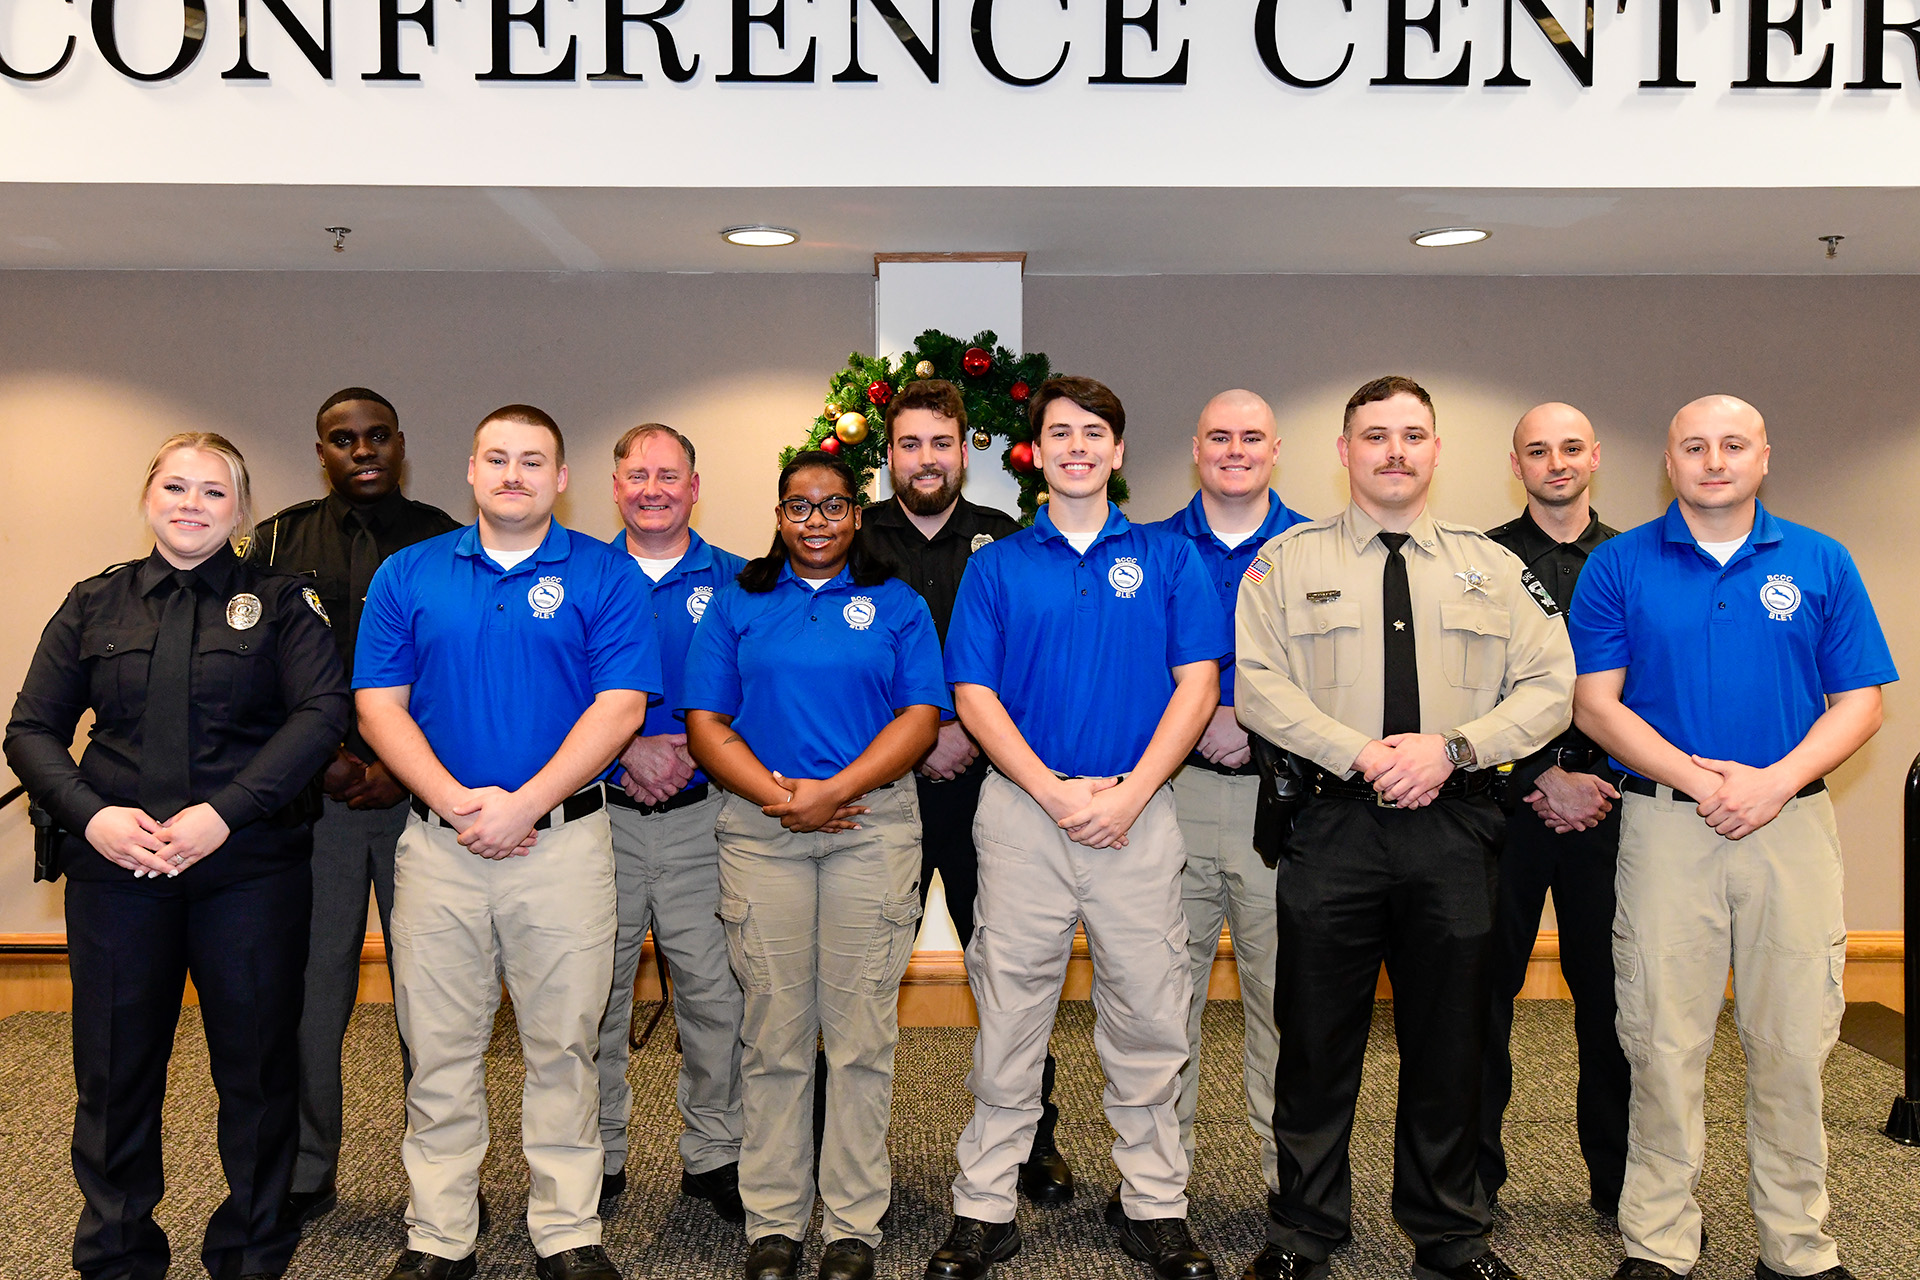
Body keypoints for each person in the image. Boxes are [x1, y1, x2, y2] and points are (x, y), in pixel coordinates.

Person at [1234, 375, 1574, 1280]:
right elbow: (1257, 686)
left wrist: (1452, 748)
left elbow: (1550, 688)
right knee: (1313, 1042)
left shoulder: (1496, 568)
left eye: (1412, 435)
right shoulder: (1284, 563)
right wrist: (1362, 753)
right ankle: (1303, 1232)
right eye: (1374, 435)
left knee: (1452, 1040)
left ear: (1434, 451)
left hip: (1454, 831)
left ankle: (1451, 1236)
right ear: (1343, 452)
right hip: (1333, 829)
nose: (1394, 450)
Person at [6, 433, 349, 1280]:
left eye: (214, 492)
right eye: (176, 487)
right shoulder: (95, 603)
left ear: (240, 509)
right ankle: (118, 1252)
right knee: (116, 1070)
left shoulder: (281, 603)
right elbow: (32, 730)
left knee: (258, 1070)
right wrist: (92, 819)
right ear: (147, 496)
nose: (192, 504)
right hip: (115, 874)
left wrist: (221, 816)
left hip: (247, 870)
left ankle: (252, 1248)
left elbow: (321, 717)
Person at [1570, 395, 1896, 1280]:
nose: (1715, 460)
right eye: (1695, 446)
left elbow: (1861, 701)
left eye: (1733, 445)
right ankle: (1659, 1243)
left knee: (1792, 1045)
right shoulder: (1618, 565)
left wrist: (1774, 783)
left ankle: (1797, 1248)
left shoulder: (1822, 562)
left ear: (1763, 457)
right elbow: (1595, 704)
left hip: (1791, 825)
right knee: (1662, 1043)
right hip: (1666, 829)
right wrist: (1699, 777)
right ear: (1669, 462)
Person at [928, 376, 1229, 1280]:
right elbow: (973, 695)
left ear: (1120, 451)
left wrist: (1131, 793)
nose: (1076, 448)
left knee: (1150, 1013)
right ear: (1034, 454)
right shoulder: (998, 565)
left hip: (1138, 812)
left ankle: (1154, 1207)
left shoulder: (1171, 559)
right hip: (1025, 814)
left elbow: (1199, 685)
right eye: (1058, 434)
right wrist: (1054, 795)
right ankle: (984, 1205)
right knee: (1010, 1013)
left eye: (1093, 433)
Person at [353, 405, 658, 1280]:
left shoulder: (607, 576)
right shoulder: (409, 574)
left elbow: (622, 707)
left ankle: (567, 1231)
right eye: (497, 458)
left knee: (564, 1045)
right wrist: (456, 803)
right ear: (471, 470)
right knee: (438, 1045)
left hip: (562, 846)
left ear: (561, 479)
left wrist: (525, 804)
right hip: (437, 849)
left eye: (533, 460)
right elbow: (378, 705)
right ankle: (439, 1233)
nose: (514, 473)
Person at [683, 449, 946, 1280]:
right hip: (764, 833)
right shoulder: (735, 605)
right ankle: (775, 1221)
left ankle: (853, 1227)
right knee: (774, 1034)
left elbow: (920, 718)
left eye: (833, 507)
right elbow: (705, 724)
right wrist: (784, 798)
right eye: (800, 508)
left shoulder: (896, 603)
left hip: (873, 828)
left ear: (855, 516)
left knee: (862, 1033)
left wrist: (832, 791)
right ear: (778, 515)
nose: (817, 523)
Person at [246, 387, 461, 1227]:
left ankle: (442, 1168)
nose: (363, 451)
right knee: (311, 991)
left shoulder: (447, 538)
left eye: (377, 437)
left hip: (425, 799)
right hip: (317, 802)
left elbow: (461, 670)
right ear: (321, 451)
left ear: (400, 444)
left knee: (435, 997)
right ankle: (306, 1167)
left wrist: (403, 768)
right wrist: (327, 761)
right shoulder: (273, 542)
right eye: (344, 440)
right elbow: (254, 666)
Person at [858, 379, 1076, 1204]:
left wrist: (960, 732)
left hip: (993, 796)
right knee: (865, 978)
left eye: (940, 444)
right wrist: (913, 742)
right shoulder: (852, 541)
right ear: (889, 455)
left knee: (1010, 980)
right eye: (909, 444)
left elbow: (1028, 666)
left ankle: (1032, 1142)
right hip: (881, 796)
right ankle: (844, 1146)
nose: (925, 460)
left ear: (964, 450)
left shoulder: (1006, 542)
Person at [1145, 388, 1307, 1206]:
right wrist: (1198, 715)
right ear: (1196, 450)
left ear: (1275, 449)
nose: (1235, 449)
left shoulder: (1318, 548)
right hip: (1171, 796)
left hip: (1283, 805)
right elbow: (1128, 663)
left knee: (1285, 1002)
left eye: (1252, 437)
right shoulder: (1146, 549)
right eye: (1219, 436)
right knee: (1159, 1003)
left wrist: (1253, 714)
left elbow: (1338, 678)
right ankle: (1157, 1188)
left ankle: (1292, 1186)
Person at [1476, 402, 1629, 1219]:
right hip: (1503, 806)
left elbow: (1654, 693)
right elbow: (1467, 688)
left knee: (1612, 1001)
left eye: (1571, 447)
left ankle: (1622, 1185)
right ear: (1517, 463)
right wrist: (1541, 772)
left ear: (1594, 456)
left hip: (1612, 810)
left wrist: (1593, 778)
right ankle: (1472, 1186)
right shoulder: (1481, 561)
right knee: (1481, 997)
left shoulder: (1635, 560)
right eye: (1538, 450)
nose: (1556, 462)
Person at [594, 423, 749, 1222]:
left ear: (695, 486)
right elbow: (556, 694)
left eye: (669, 475)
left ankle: (716, 1154)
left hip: (705, 818)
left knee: (715, 997)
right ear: (614, 485)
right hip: (598, 821)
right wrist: (623, 756)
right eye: (637, 475)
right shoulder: (578, 574)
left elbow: (758, 691)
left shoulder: (740, 581)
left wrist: (689, 749)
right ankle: (601, 1152)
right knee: (593, 997)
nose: (652, 488)